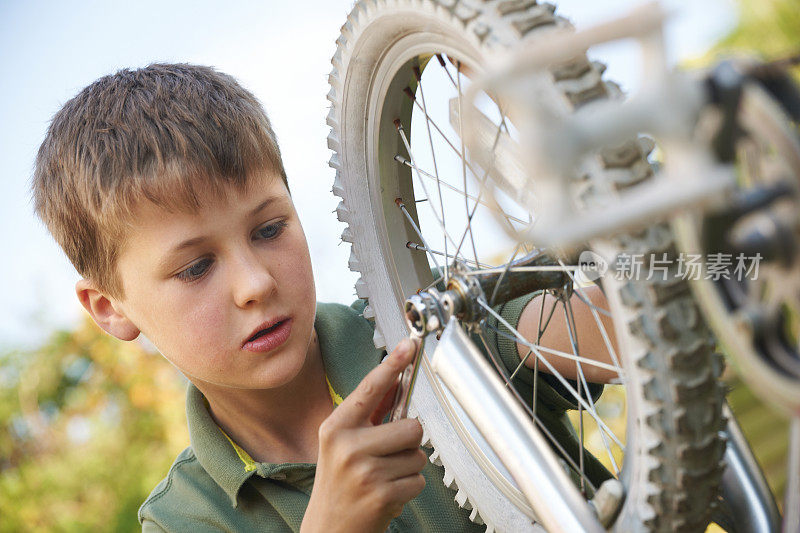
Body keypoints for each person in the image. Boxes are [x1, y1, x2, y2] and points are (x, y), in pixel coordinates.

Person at [32, 63, 617, 532]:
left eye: (269, 229)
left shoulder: (430, 326)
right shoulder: (184, 516)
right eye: (195, 267)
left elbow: (601, 328)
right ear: (110, 308)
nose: (255, 283)